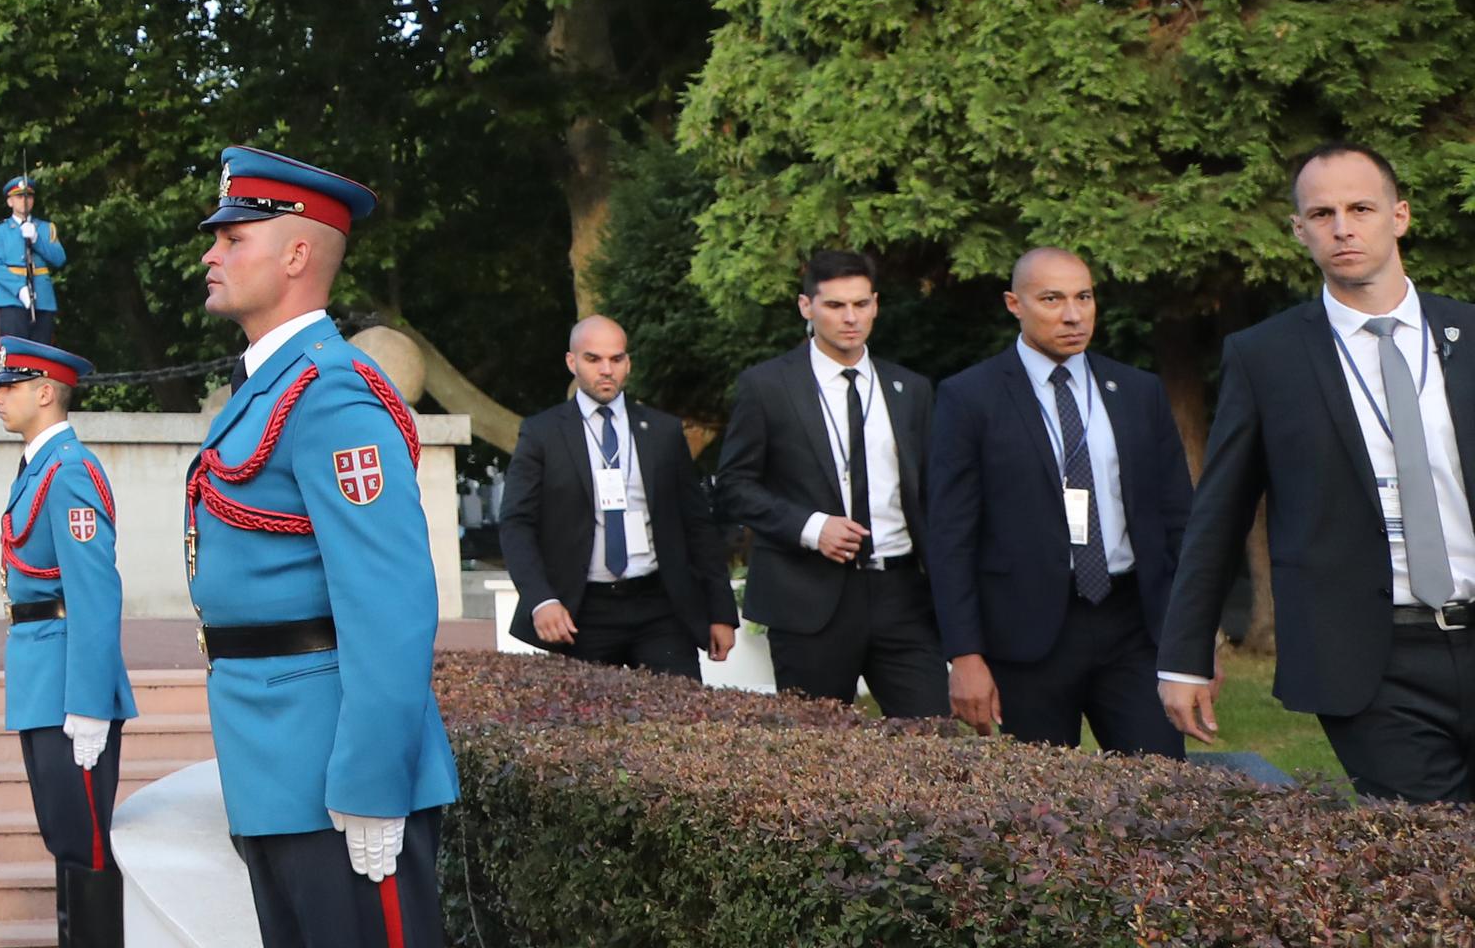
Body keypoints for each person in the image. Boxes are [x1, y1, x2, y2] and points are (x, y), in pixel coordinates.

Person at [182, 149, 458, 948]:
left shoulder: (333, 396)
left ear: (298, 250)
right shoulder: (269, 392)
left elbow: (392, 607)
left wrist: (371, 786)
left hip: (344, 781)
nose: (212, 249)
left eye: (234, 232)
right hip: (278, 768)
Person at [1162, 146, 1475, 801]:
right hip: (1371, 660)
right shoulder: (1267, 357)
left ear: (1401, 217)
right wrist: (1186, 655)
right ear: (1300, 230)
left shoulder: (1468, 333)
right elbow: (1219, 514)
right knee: (1428, 862)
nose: (1343, 227)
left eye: (1361, 208)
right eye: (1322, 213)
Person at [923, 249, 1190, 755]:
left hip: (1133, 623)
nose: (1073, 314)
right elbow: (950, 535)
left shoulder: (1137, 391)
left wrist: (1193, 638)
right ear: (1014, 303)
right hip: (1027, 633)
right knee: (1042, 810)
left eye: (1083, 297)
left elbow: (1178, 518)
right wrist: (964, 654)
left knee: (1163, 788)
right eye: (1052, 299)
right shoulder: (970, 397)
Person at [711, 250, 947, 720]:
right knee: (817, 752)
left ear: (876, 304)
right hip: (808, 597)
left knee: (933, 740)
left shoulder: (911, 389)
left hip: (902, 594)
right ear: (806, 307)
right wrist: (811, 526)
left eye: (860, 304)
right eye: (835, 306)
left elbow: (933, 494)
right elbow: (733, 486)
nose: (850, 318)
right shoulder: (768, 386)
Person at [0, 333, 136, 948]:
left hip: (68, 682)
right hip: (42, 673)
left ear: (46, 391)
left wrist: (88, 701)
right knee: (66, 841)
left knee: (85, 844)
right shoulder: (39, 468)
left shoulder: (70, 471)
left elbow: (95, 593)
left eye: (10, 384)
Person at [496, 317, 733, 680]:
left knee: (679, 723)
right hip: (581, 610)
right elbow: (516, 524)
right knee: (586, 729)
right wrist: (541, 600)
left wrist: (720, 612)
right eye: (593, 359)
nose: (607, 370)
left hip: (659, 605)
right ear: (572, 363)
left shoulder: (663, 431)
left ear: (628, 362)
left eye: (616, 359)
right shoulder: (542, 433)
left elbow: (697, 524)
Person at [0, 176, 66, 351]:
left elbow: (59, 259)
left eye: (28, 196)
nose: (25, 201)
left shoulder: (45, 228)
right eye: (19, 197)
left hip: (43, 299)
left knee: (42, 355)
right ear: (10, 202)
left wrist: (36, 239)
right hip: (11, 299)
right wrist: (19, 288)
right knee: (15, 356)